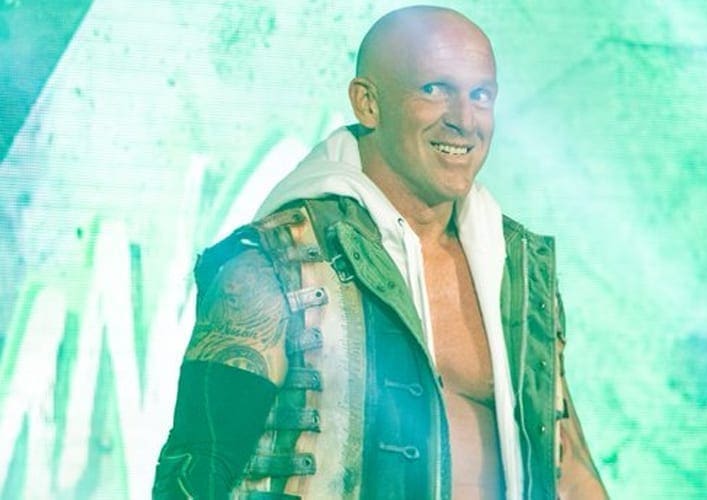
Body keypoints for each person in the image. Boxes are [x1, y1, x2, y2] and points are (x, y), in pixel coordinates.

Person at [153, 5, 607, 499]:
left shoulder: (516, 273)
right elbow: (193, 474)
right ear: (367, 104)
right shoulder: (278, 263)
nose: (464, 120)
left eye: (481, 95)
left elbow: (568, 468)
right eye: (434, 89)